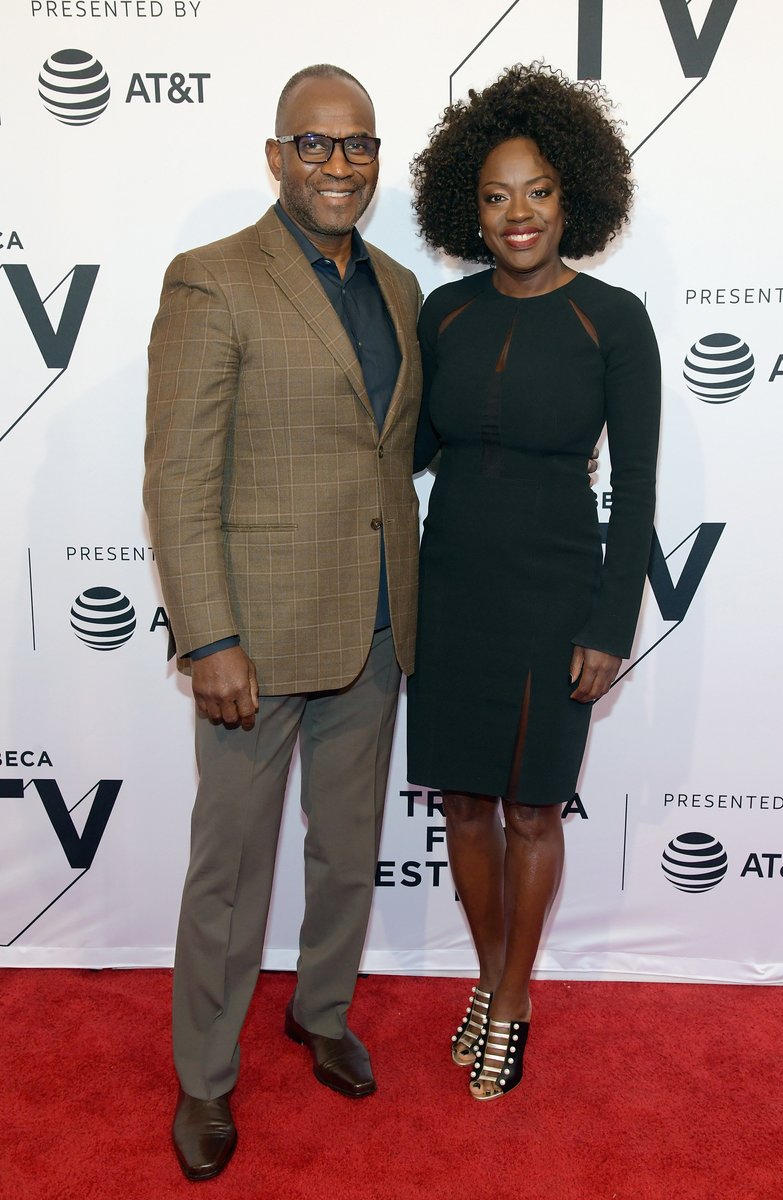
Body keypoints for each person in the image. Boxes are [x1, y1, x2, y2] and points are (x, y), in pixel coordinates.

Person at [143, 64, 422, 1180]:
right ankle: (204, 1080)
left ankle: (321, 1010)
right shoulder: (213, 280)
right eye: (314, 145)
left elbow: (386, 452)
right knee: (230, 872)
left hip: (375, 622)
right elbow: (177, 476)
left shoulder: (399, 287)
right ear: (275, 157)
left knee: (347, 851)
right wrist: (207, 637)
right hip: (252, 640)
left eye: (356, 145)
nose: (338, 165)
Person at [407, 63, 660, 1100]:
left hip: (557, 589)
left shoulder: (614, 320)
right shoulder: (445, 314)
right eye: (496, 195)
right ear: (469, 207)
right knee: (464, 805)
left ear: (574, 199)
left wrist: (609, 625)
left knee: (530, 814)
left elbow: (638, 490)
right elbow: (409, 449)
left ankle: (511, 998)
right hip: (451, 584)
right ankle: (486, 977)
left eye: (539, 192)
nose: (518, 214)